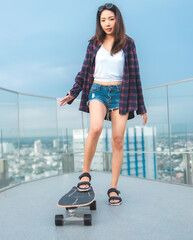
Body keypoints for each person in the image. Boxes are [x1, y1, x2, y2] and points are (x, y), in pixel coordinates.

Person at [59, 3, 147, 206]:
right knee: (96, 128)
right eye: (103, 20)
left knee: (118, 140)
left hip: (121, 94)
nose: (107, 23)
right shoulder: (93, 44)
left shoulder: (129, 44)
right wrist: (73, 92)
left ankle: (113, 187)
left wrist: (141, 107)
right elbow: (84, 71)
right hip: (97, 90)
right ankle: (85, 174)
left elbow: (135, 76)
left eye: (111, 19)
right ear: (99, 22)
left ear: (118, 20)